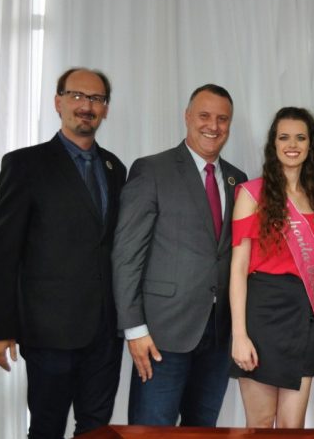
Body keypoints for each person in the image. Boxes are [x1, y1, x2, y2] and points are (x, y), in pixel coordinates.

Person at [0, 67, 126, 438]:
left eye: (96, 99)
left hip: (105, 333)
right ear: (58, 102)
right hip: (49, 333)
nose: (86, 106)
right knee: (46, 429)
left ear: (105, 109)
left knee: (96, 430)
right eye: (77, 95)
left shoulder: (115, 168)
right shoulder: (25, 164)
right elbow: (1, 252)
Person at [111, 84, 247, 426]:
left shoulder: (238, 180)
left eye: (222, 119)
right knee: (151, 430)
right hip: (162, 335)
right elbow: (127, 255)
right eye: (204, 116)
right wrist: (134, 329)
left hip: (218, 334)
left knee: (202, 429)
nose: (213, 126)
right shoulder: (152, 170)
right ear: (187, 117)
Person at [229, 107, 314, 428]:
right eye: (284, 137)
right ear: (273, 144)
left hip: (302, 315)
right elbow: (238, 268)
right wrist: (239, 335)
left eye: (300, 138)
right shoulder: (252, 194)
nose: (292, 145)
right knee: (260, 425)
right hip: (261, 314)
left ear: (311, 145)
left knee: (293, 427)